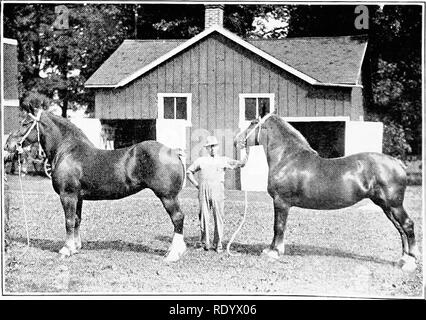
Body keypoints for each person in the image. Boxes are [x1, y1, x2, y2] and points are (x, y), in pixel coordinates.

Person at [186, 135, 249, 252]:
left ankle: (218, 244)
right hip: (203, 191)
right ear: (206, 149)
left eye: (214, 146)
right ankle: (205, 243)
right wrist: (197, 185)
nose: (212, 149)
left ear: (218, 147)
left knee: (218, 217)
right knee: (204, 216)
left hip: (218, 191)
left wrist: (247, 151)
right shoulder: (201, 160)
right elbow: (189, 172)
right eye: (210, 147)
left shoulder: (224, 160)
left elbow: (241, 164)